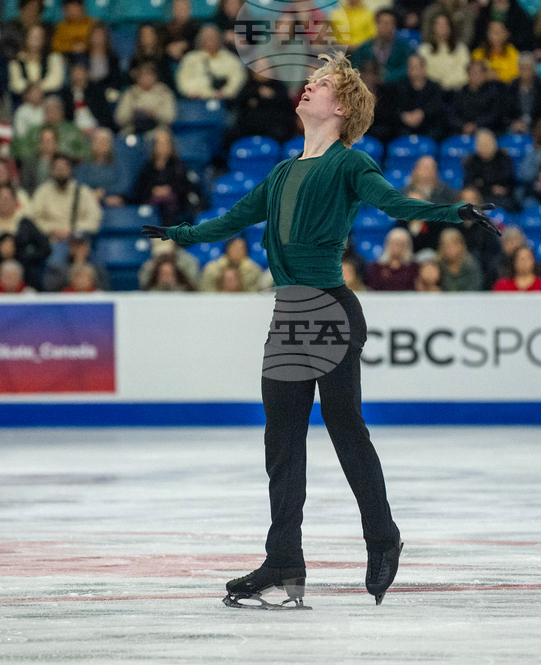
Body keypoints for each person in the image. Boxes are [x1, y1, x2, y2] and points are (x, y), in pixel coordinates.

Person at [139, 52, 497, 609]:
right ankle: (284, 561)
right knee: (280, 443)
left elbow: (396, 205)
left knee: (343, 425)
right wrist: (177, 233)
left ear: (343, 105)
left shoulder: (351, 165)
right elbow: (229, 221)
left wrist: (457, 213)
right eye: (308, 82)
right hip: (288, 315)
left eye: (320, 84)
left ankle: (383, 537)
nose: (307, 88)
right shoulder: (281, 172)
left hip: (330, 310)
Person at [31, 153, 103, 267]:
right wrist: (52, 230)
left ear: (70, 170)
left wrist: (72, 231)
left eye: (64, 168)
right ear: (52, 171)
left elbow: (94, 219)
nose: (61, 171)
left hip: (78, 240)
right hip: (52, 240)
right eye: (57, 169)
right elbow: (33, 220)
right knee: (56, 264)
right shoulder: (42, 192)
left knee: (98, 267)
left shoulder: (83, 192)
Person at [130, 129, 200, 227]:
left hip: (173, 207)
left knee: (169, 208)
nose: (163, 147)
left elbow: (185, 189)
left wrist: (169, 190)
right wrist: (153, 191)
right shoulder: (147, 168)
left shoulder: (179, 167)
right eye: (160, 144)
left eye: (166, 144)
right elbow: (139, 190)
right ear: (154, 146)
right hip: (152, 206)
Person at [175, 25, 247, 100]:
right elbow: (182, 80)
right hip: (197, 101)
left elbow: (238, 78)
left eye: (212, 37)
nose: (209, 40)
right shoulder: (190, 58)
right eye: (206, 37)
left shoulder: (231, 59)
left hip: (225, 101)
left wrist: (226, 92)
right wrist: (193, 92)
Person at [350, 9, 413, 85]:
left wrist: (386, 77)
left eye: (389, 24)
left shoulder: (403, 47)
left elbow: (407, 69)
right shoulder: (365, 48)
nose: (385, 27)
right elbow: (354, 68)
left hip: (396, 89)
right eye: (383, 23)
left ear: (394, 26)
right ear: (376, 24)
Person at [114, 62, 177, 136]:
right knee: (123, 137)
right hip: (133, 128)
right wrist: (133, 113)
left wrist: (153, 113)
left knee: (161, 137)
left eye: (149, 75)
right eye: (143, 75)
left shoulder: (164, 92)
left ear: (155, 77)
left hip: (158, 128)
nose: (146, 78)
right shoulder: (129, 93)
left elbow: (169, 117)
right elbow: (119, 119)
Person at [418, 11, 471, 92]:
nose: (441, 27)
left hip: (455, 92)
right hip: (430, 93)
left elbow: (463, 74)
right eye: (438, 24)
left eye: (444, 24)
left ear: (450, 27)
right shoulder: (424, 50)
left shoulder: (461, 50)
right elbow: (422, 73)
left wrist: (446, 83)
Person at [75, 128, 128, 207]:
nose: (101, 143)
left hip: (114, 202)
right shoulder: (83, 165)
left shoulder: (119, 163)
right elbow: (80, 185)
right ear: (92, 143)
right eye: (97, 140)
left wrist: (104, 193)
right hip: (89, 202)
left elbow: (123, 184)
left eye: (104, 140)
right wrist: (94, 194)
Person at [9, 24, 65, 97]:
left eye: (39, 37)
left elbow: (56, 81)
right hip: (23, 98)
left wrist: (37, 88)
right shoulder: (16, 60)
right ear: (26, 38)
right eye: (33, 36)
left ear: (44, 39)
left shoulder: (54, 58)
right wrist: (31, 90)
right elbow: (15, 84)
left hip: (48, 97)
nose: (36, 39)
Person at [199, 237, 263, 292]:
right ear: (227, 249)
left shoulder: (254, 270)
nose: (237, 252)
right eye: (234, 248)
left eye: (241, 248)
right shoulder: (212, 268)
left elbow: (255, 292)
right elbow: (205, 290)